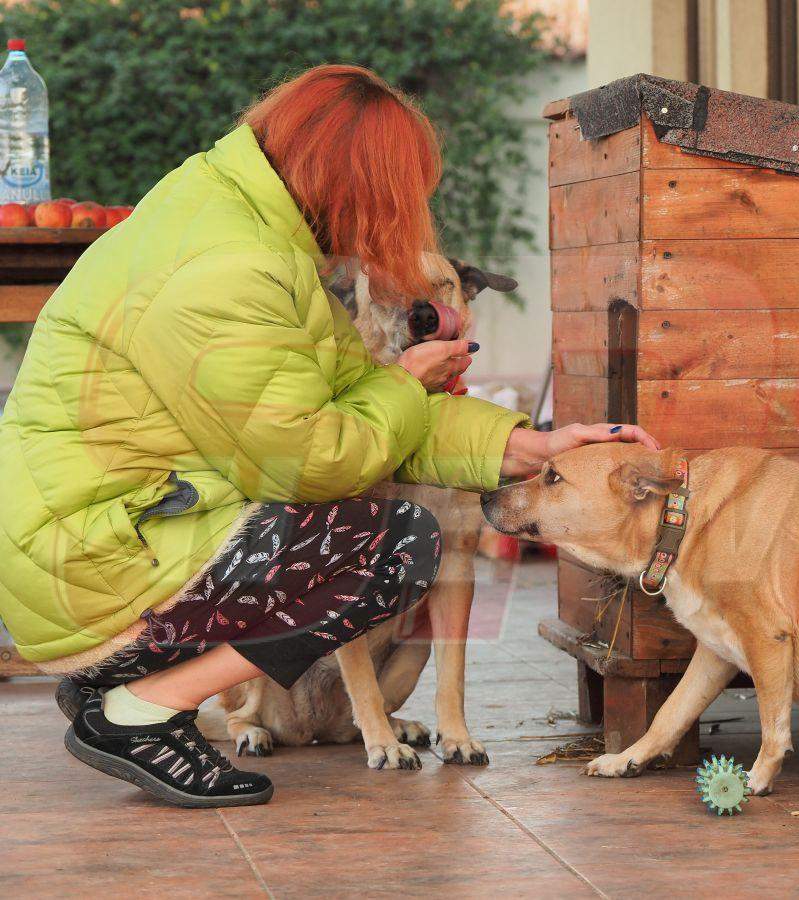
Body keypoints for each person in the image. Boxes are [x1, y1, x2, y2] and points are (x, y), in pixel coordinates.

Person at [0, 65, 657, 808]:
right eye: (398, 197)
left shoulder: (242, 222)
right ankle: (137, 711)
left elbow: (355, 396)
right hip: (90, 551)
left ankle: (122, 679)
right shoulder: (232, 268)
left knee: (384, 525)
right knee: (395, 542)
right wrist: (407, 384)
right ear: (355, 183)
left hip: (105, 526)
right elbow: (314, 463)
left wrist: (524, 444)